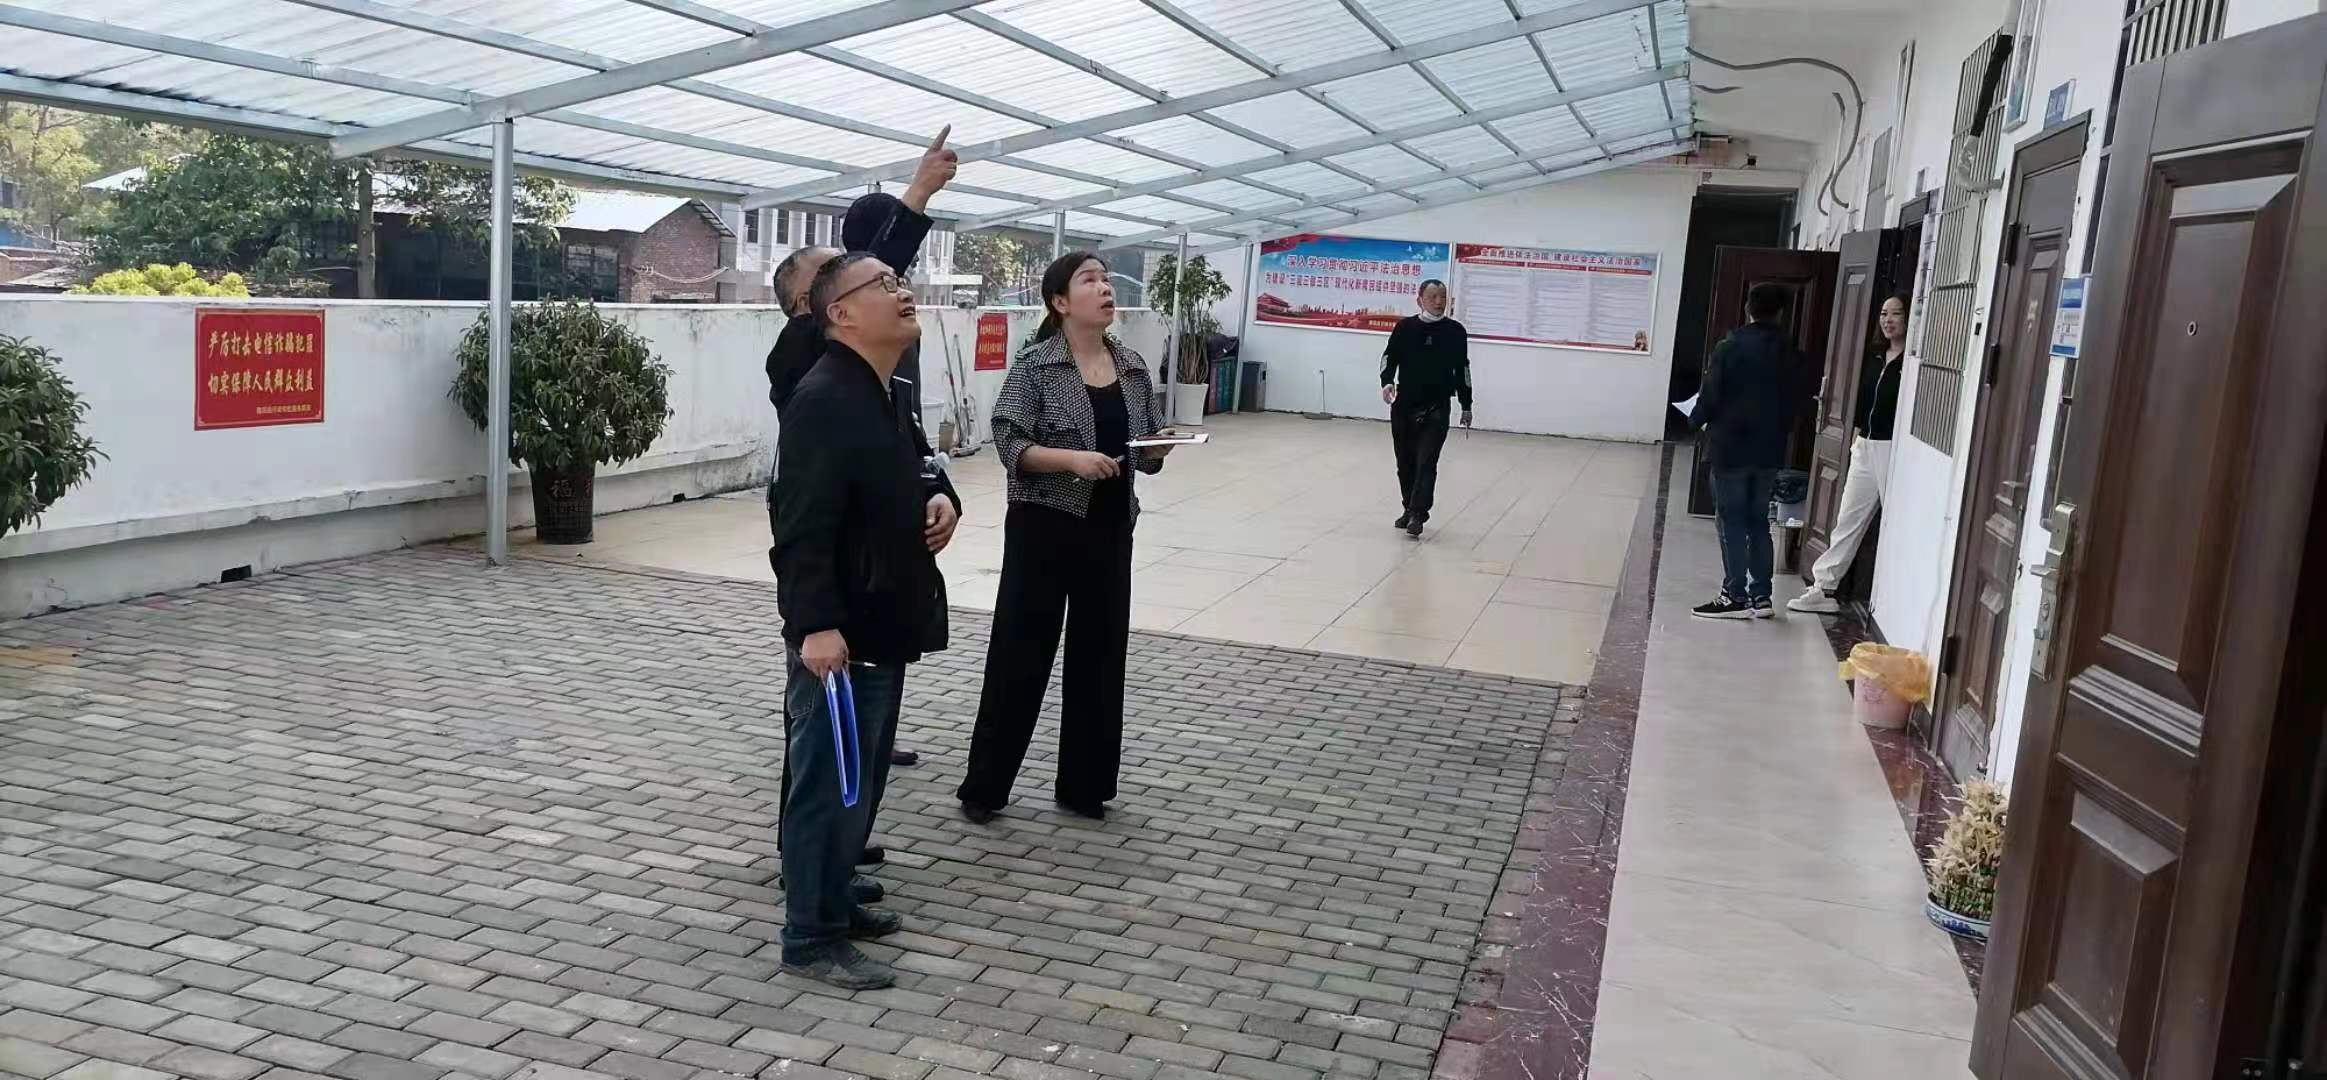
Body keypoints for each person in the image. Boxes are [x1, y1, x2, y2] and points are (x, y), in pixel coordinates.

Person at [770, 252, 962, 990]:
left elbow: (917, 468)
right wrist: (817, 626)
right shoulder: (823, 398)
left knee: (860, 782)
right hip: (842, 637)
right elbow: (800, 527)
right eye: (883, 284)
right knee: (829, 786)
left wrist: (940, 498)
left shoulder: (882, 390)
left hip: (882, 623)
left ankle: (835, 899)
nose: (901, 291)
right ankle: (810, 937)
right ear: (840, 313)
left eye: (899, 281)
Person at [958, 252, 1172, 824]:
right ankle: (985, 787)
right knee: (1020, 651)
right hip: (1044, 525)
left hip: (1110, 525)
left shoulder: (1131, 366)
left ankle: (1085, 786)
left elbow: (1146, 446)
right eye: (1089, 280)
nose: (1104, 288)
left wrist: (1158, 449)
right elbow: (1010, 443)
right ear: (1060, 302)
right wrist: (1071, 460)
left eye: (1106, 279)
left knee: (1101, 654)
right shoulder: (1036, 365)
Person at [1690, 282, 1811, 620]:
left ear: (1748, 309)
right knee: (1758, 521)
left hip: (1729, 449)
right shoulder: (1791, 353)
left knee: (1730, 521)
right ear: (1781, 312)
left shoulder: (1730, 347)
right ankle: (1762, 597)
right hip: (1769, 451)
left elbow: (1710, 395)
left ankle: (1734, 595)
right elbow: (1798, 401)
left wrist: (1694, 420)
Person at [1791, 293, 1910, 614]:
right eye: (1884, 314)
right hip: (1866, 445)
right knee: (1848, 517)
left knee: (1897, 522)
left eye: (1896, 314)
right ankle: (1824, 587)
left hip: (1893, 449)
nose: (1888, 320)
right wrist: (1856, 435)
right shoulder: (1874, 357)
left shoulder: (1912, 362)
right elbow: (1862, 400)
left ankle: (1896, 600)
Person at [1379, 279, 1472, 538]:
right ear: (1420, 300)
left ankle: (1418, 514)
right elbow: (1389, 357)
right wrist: (1387, 382)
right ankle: (1408, 507)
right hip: (1405, 405)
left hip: (1437, 406)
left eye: (1442, 296)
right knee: (1405, 462)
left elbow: (1462, 369)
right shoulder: (1405, 328)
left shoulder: (1455, 331)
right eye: (1433, 296)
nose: (1439, 302)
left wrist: (1466, 404)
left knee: (1427, 462)